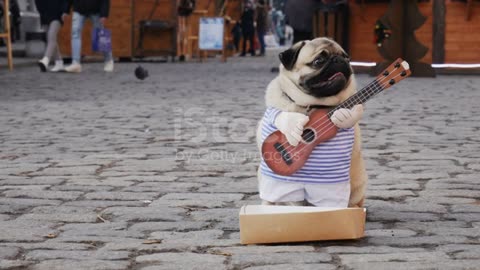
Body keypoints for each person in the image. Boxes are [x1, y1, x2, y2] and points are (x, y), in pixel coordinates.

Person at [63, 0, 113, 73]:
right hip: (79, 8)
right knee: (75, 33)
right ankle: (75, 63)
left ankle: (108, 60)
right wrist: (65, 10)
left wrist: (104, 13)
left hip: (96, 9)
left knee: (100, 34)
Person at [35, 0, 67, 72]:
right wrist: (41, 11)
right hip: (45, 14)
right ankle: (59, 63)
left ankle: (46, 60)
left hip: (57, 14)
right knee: (50, 38)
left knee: (51, 34)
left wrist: (65, 11)